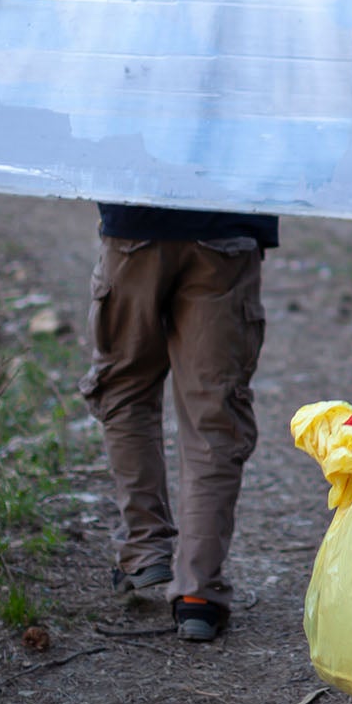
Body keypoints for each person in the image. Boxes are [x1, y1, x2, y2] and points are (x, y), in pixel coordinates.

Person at [79, 200, 273, 643]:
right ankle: (198, 592)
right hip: (227, 228)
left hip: (135, 224)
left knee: (126, 389)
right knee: (215, 413)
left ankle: (145, 550)